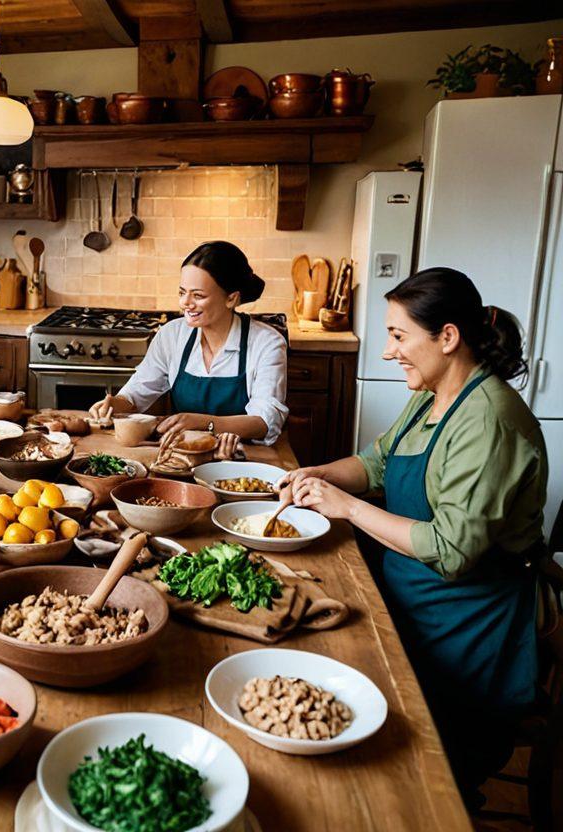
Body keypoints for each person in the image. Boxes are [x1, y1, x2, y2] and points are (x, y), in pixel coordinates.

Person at [281, 268, 547, 806]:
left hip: (464, 625)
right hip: (404, 593)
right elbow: (377, 464)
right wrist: (318, 475)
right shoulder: (432, 395)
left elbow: (452, 551)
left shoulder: (489, 420)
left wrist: (348, 509)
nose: (387, 352)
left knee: (411, 776)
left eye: (399, 336)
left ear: (447, 337)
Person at [88, 241, 288, 456]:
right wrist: (113, 404)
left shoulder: (266, 343)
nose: (185, 303)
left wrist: (203, 423)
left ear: (231, 298)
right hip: (182, 457)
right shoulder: (172, 335)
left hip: (244, 460)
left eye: (198, 296)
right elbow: (135, 397)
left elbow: (264, 422)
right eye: (182, 292)